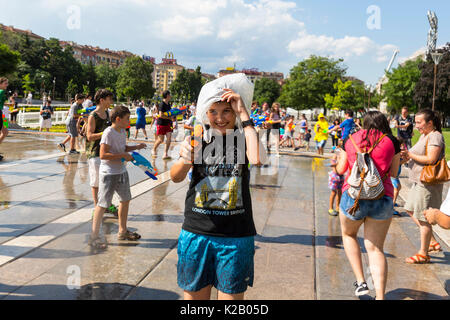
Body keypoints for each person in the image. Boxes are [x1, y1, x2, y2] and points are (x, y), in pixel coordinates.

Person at [170, 76, 266, 300]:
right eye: (213, 111)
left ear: (235, 113)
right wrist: (185, 159)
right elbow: (175, 177)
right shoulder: (198, 137)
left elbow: (258, 158)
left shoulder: (245, 138)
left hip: (236, 236)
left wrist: (245, 114)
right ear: (205, 112)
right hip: (196, 232)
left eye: (227, 111)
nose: (220, 118)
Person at [335, 110, 401, 300]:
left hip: (353, 197)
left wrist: (340, 156)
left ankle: (361, 281)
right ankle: (380, 297)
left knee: (348, 235)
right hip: (382, 197)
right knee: (375, 248)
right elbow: (395, 173)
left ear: (364, 123)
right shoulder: (391, 141)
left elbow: (341, 170)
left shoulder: (350, 139)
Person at [89, 105, 146, 249]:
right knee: (102, 205)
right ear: (118, 119)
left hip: (121, 171)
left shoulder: (122, 131)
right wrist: (122, 156)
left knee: (125, 199)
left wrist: (136, 147)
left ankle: (122, 231)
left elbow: (122, 148)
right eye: (127, 118)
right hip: (108, 174)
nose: (129, 121)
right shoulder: (108, 132)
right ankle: (94, 237)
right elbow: (103, 155)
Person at [402, 109, 446, 263]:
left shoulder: (436, 136)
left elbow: (431, 158)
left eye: (419, 122)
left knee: (423, 218)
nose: (416, 125)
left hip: (427, 184)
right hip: (418, 181)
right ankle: (432, 242)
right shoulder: (424, 135)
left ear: (430, 123)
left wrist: (409, 154)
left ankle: (423, 253)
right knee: (410, 209)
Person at [86, 89, 118, 216]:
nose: (111, 102)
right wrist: (104, 133)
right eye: (109, 99)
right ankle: (97, 207)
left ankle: (106, 203)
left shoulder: (109, 114)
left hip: (107, 152)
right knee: (96, 182)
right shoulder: (93, 116)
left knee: (108, 180)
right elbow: (89, 136)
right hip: (94, 153)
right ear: (102, 100)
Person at [152, 90, 173, 160]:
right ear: (167, 95)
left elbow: (169, 113)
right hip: (161, 124)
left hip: (167, 124)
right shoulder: (162, 104)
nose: (170, 96)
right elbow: (160, 115)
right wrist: (169, 117)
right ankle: (154, 149)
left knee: (169, 138)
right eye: (170, 95)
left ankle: (165, 153)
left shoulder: (168, 104)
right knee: (161, 140)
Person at [0, 77, 10, 161]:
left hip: (4, 117)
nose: (7, 85)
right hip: (1, 115)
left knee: (5, 132)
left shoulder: (2, 92)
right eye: (5, 83)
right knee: (5, 132)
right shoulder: (2, 91)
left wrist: (8, 104)